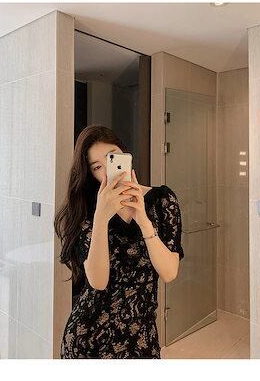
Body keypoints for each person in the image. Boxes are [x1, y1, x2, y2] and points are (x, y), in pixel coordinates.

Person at [54, 125, 184, 359]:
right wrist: (101, 218)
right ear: (91, 174)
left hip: (141, 338)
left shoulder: (162, 200)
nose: (107, 170)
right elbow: (98, 281)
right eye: (97, 167)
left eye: (112, 158)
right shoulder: (87, 210)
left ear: (125, 155)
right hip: (88, 339)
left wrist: (143, 220)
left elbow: (169, 272)